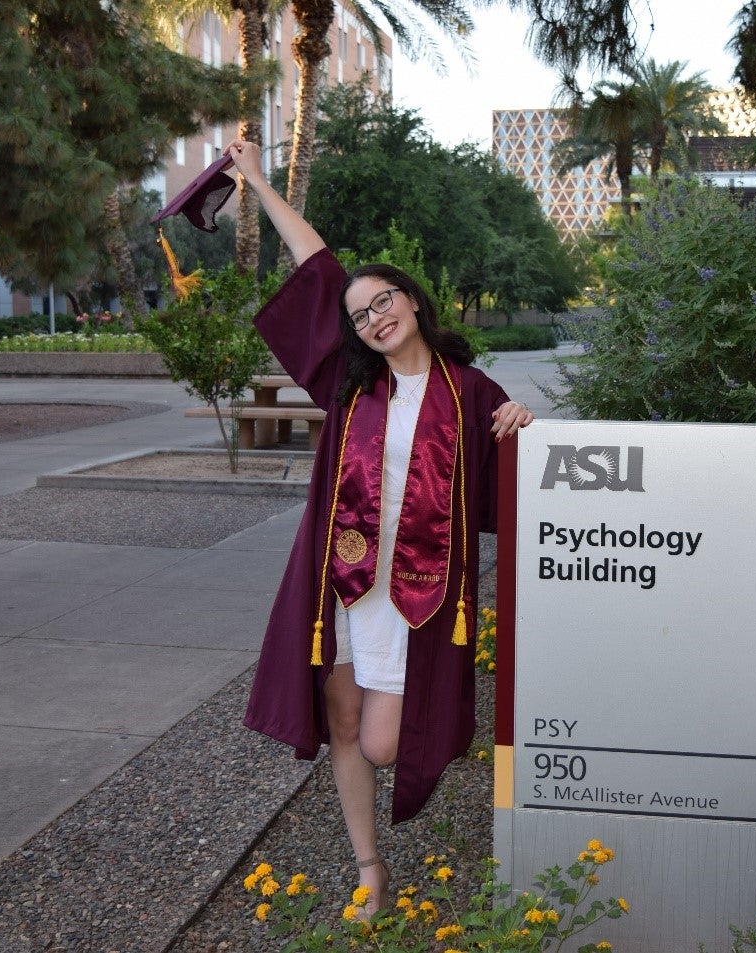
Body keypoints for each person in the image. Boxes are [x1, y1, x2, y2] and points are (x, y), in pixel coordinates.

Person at [229, 139, 533, 916]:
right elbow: (314, 265)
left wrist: (522, 422)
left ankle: (373, 851)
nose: (373, 316)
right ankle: (369, 868)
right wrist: (257, 182)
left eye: (384, 300)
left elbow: (512, 475)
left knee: (382, 741)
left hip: (419, 592)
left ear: (413, 300)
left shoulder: (469, 391)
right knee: (342, 720)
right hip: (346, 582)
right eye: (361, 313)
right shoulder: (347, 385)